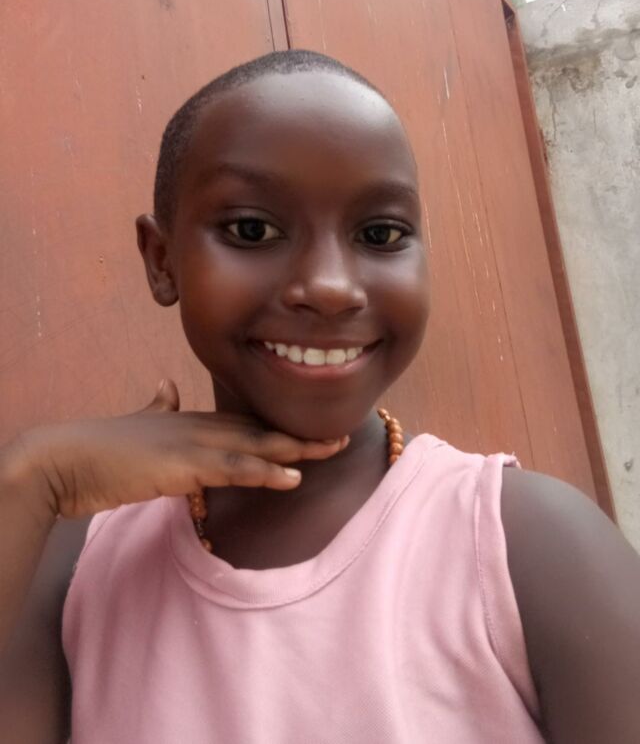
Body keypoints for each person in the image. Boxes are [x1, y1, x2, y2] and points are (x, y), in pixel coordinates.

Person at [0, 50, 639, 743]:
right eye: (252, 230)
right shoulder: (72, 561)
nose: (332, 287)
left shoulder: (525, 547)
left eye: (380, 234)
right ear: (162, 261)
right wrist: (29, 478)